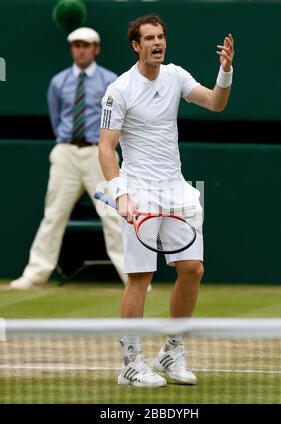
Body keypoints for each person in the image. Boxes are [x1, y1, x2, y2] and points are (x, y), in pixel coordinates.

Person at [99, 15, 234, 387]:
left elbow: (215, 103)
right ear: (135, 46)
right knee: (140, 277)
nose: (158, 43)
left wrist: (225, 71)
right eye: (149, 38)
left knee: (193, 269)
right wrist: (120, 194)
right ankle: (130, 362)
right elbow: (107, 147)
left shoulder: (176, 75)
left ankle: (172, 351)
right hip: (139, 191)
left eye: (161, 37)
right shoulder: (120, 89)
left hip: (177, 190)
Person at [10, 27, 127, 289]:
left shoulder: (111, 81)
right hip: (66, 152)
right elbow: (56, 117)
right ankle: (35, 274)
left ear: (95, 49)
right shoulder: (59, 82)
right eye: (76, 45)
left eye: (86, 45)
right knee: (54, 214)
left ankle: (132, 275)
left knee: (112, 213)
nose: (81, 50)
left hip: (100, 153)